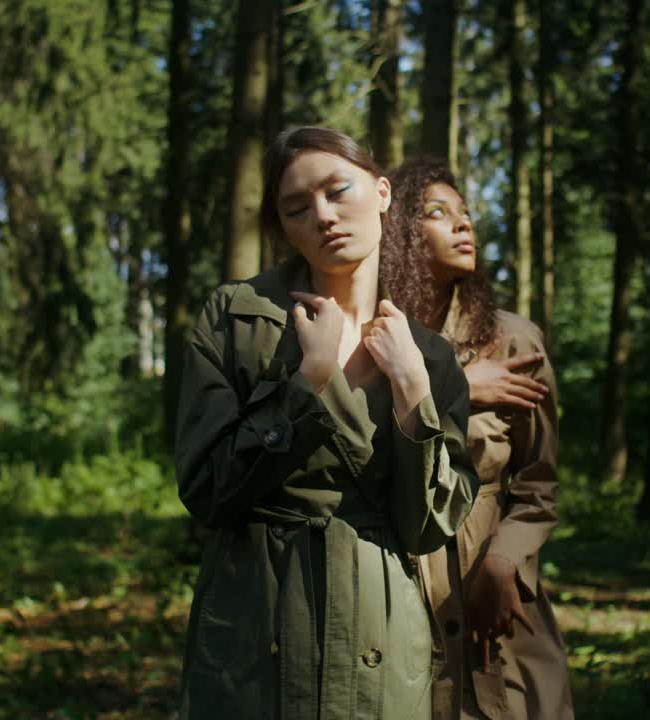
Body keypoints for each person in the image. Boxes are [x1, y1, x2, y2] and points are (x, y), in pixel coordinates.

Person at [175, 128, 478, 720]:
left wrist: (414, 393)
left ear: (383, 193)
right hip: (256, 624)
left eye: (339, 191)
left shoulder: (429, 355)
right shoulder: (237, 318)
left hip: (379, 633)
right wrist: (305, 383)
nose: (323, 216)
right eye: (297, 208)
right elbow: (205, 489)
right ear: (283, 229)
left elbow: (427, 529)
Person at [381, 158, 574, 719]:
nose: (463, 224)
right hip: (399, 585)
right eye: (437, 213)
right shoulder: (375, 339)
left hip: (493, 591)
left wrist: (504, 562)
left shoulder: (513, 341)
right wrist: (459, 388)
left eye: (464, 213)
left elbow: (538, 482)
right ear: (398, 233)